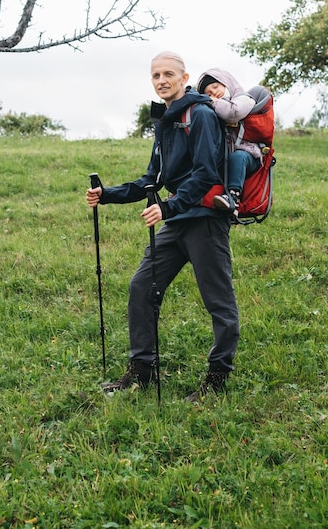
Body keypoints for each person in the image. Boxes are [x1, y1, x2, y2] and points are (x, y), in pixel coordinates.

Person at [86, 51, 239, 402]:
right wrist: (107, 194)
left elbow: (206, 173)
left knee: (218, 301)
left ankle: (217, 377)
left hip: (204, 221)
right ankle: (141, 371)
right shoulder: (167, 120)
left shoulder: (199, 115)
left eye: (169, 74)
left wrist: (167, 207)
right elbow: (151, 179)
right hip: (177, 220)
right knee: (142, 287)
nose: (161, 81)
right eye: (156, 76)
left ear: (184, 78)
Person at [197, 68, 261, 216]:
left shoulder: (244, 98)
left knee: (238, 157)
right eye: (209, 94)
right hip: (226, 156)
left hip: (249, 155)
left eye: (215, 87)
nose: (214, 94)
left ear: (225, 82)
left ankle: (232, 199)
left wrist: (211, 101)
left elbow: (233, 113)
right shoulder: (216, 106)